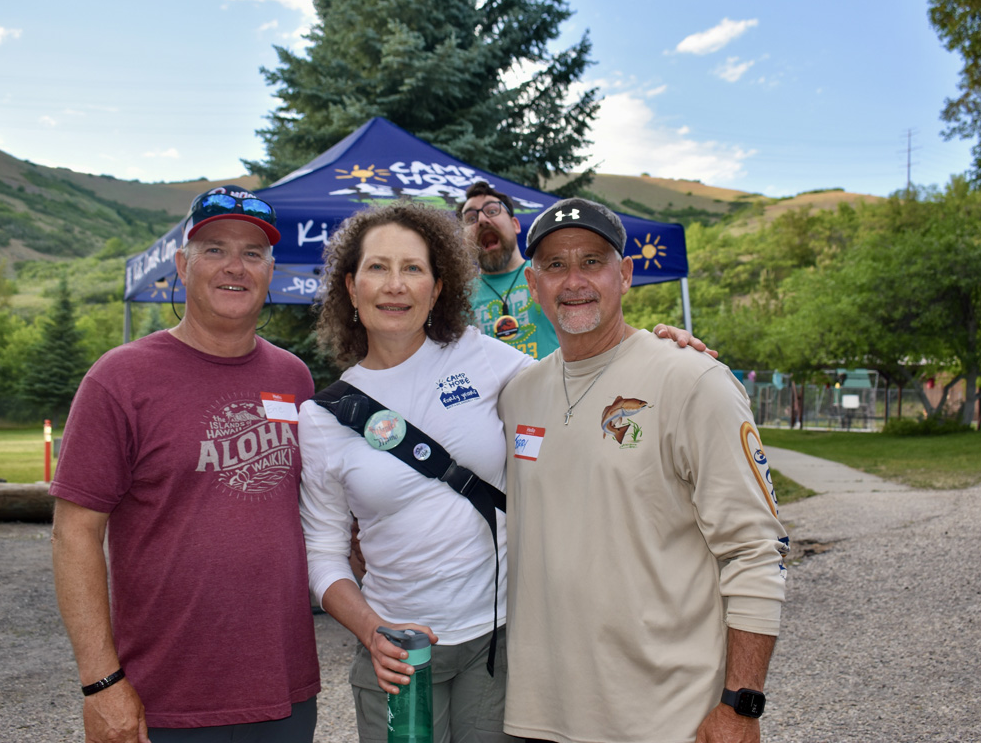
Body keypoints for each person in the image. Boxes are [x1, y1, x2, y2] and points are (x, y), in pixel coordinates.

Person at [498, 198, 790, 743]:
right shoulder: (518, 394)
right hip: (541, 717)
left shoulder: (692, 381)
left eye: (592, 261)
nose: (574, 281)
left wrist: (741, 706)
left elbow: (755, 550)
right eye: (555, 265)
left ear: (626, 275)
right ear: (533, 285)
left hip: (667, 718)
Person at [50, 186, 320, 743]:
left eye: (252, 253)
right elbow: (74, 534)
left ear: (271, 272)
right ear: (182, 265)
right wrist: (101, 684)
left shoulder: (294, 378)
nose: (235, 267)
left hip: (284, 692)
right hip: (163, 701)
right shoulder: (120, 378)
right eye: (215, 249)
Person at [297, 200, 532, 743]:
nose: (395, 285)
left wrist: (663, 347)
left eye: (413, 268)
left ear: (438, 287)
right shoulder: (324, 416)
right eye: (378, 267)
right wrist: (371, 629)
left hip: (495, 640)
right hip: (398, 654)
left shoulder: (482, 357)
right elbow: (323, 552)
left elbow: (578, 381)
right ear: (351, 287)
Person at [459, 181, 560, 359]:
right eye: (471, 219)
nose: (482, 220)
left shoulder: (551, 275)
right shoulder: (458, 299)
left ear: (515, 225)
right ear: (464, 241)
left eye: (492, 211)